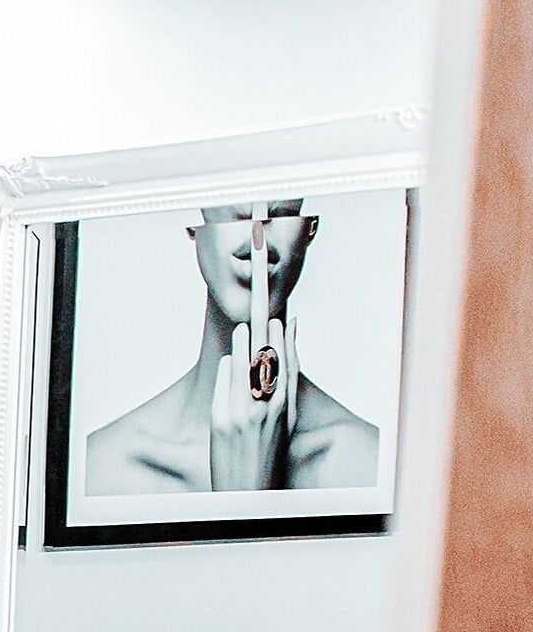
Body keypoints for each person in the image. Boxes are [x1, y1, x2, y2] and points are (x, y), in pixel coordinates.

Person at [83, 200, 380, 497]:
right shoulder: (103, 468)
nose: (258, 221)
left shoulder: (365, 463)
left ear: (311, 226)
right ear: (193, 220)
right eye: (238, 194)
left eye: (283, 206)